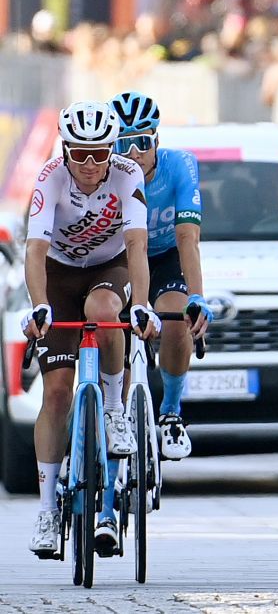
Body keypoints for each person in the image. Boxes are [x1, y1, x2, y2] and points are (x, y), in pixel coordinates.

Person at [23, 101, 159, 557]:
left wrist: (140, 306)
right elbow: (36, 251)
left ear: (110, 150)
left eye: (98, 153)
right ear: (64, 150)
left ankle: (114, 408)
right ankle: (45, 510)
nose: (88, 164)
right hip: (58, 274)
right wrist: (40, 305)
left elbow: (138, 246)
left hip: (109, 266)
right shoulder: (49, 177)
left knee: (104, 310)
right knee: (57, 393)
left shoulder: (127, 174)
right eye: (78, 153)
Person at [109, 92, 213, 461]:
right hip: (120, 257)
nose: (134, 152)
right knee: (113, 338)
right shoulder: (108, 171)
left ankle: (170, 410)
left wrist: (197, 297)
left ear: (157, 141)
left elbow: (188, 237)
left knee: (176, 318)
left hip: (167, 256)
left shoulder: (179, 165)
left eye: (143, 141)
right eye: (124, 142)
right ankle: (110, 415)